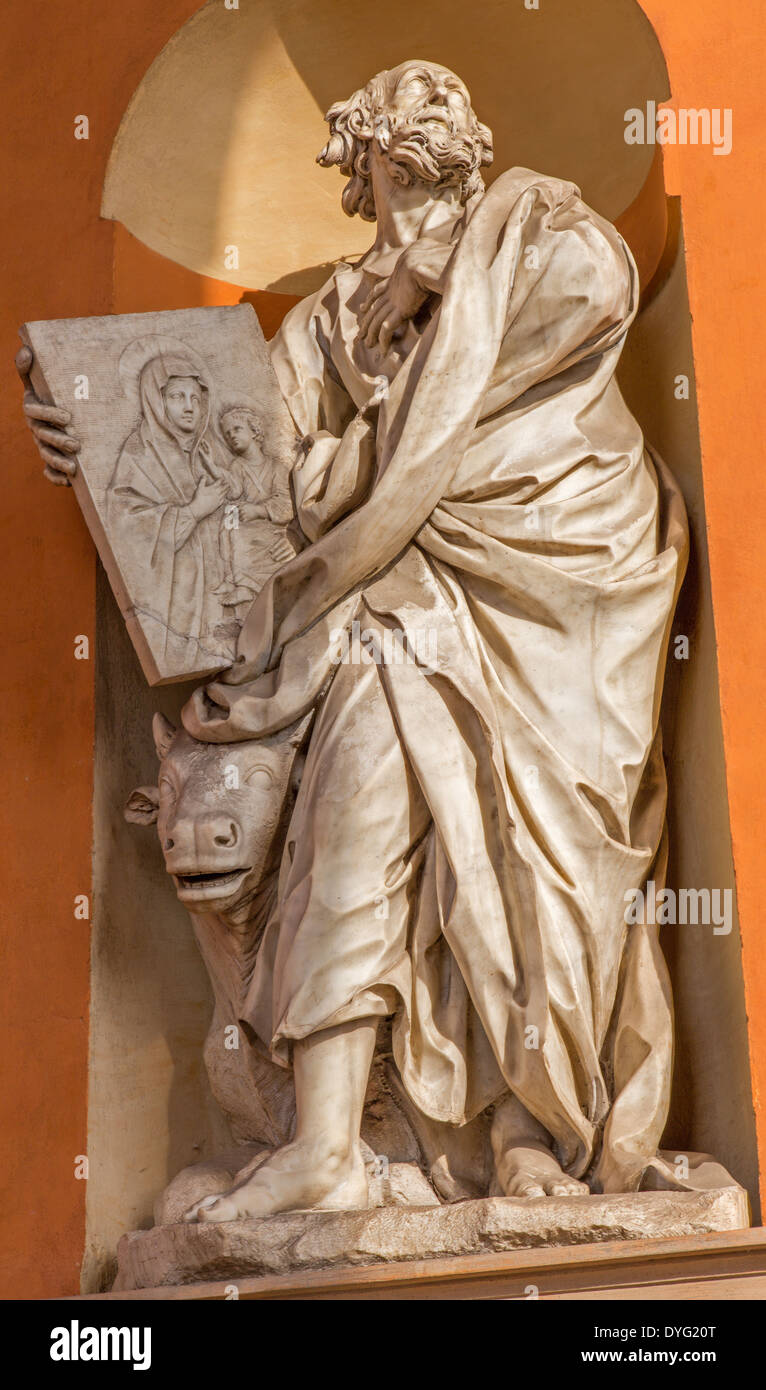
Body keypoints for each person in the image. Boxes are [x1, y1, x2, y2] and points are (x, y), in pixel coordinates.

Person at [19, 59, 688, 1220]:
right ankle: (326, 1136)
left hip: (566, 564)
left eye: (438, 100)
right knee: (360, 787)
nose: (420, 109)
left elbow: (598, 291)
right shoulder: (332, 313)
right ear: (357, 159)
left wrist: (443, 274)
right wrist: (93, 426)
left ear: (467, 139)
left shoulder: (533, 219)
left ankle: (535, 1134)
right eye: (390, 112)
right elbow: (253, 460)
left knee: (553, 852)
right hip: (396, 593)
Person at [105, 349, 231, 669]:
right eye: (177, 396)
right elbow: (126, 530)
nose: (189, 406)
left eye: (195, 397)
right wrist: (194, 511)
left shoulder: (207, 451)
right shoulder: (138, 455)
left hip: (220, 604)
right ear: (155, 400)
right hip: (175, 610)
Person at [215, 405, 297, 618]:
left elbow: (287, 502)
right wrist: (209, 464)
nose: (231, 436)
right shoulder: (237, 466)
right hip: (244, 523)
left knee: (249, 540)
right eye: (227, 433)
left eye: (237, 429)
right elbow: (233, 492)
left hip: (271, 527)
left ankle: (247, 586)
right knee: (230, 526)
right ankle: (234, 579)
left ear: (254, 431)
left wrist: (259, 510)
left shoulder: (277, 468)